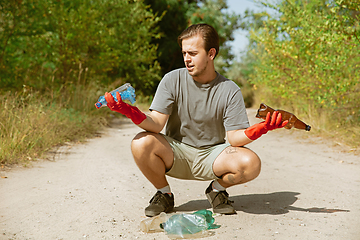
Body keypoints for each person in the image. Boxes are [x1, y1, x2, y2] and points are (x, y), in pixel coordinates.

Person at [104, 23, 288, 217]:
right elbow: (156, 124)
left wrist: (262, 128)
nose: (186, 59)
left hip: (212, 156)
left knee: (251, 163)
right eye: (184, 53)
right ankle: (164, 194)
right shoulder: (171, 79)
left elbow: (234, 138)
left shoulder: (230, 89)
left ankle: (216, 191)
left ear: (211, 54)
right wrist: (130, 111)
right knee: (141, 142)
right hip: (177, 153)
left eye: (192, 53)